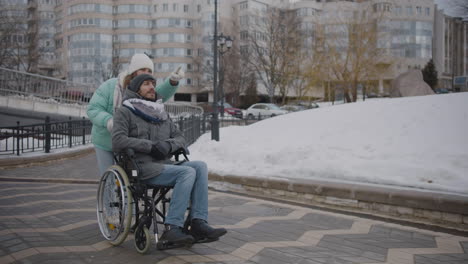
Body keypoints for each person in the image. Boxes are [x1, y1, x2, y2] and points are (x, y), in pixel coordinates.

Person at [111, 74, 227, 247]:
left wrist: (167, 145)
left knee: (200, 166)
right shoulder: (125, 112)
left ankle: (198, 223)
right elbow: (118, 140)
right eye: (146, 84)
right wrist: (150, 146)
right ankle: (172, 227)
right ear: (136, 89)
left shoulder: (160, 113)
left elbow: (180, 138)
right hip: (141, 167)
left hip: (165, 164)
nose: (152, 87)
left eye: (153, 84)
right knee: (187, 172)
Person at [87, 53, 184, 175]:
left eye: (149, 70)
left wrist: (172, 82)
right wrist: (109, 121)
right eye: (142, 69)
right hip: (105, 140)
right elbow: (93, 109)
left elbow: (155, 98)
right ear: (133, 71)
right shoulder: (110, 86)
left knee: (130, 179)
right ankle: (108, 193)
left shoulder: (143, 88)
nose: (146, 72)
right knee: (109, 177)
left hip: (128, 141)